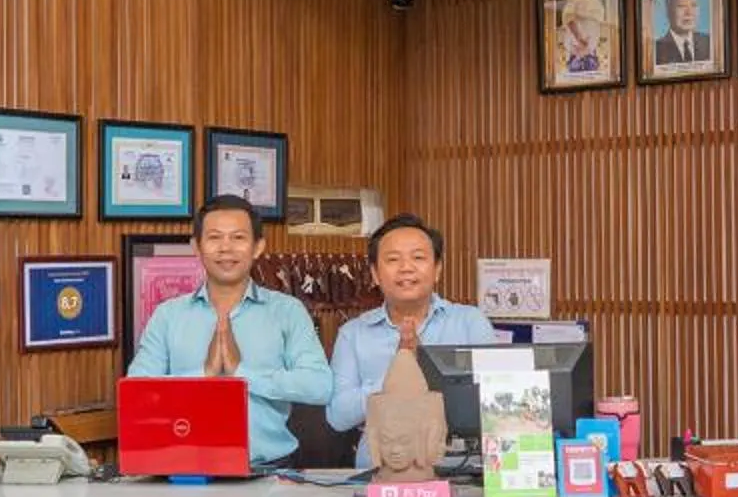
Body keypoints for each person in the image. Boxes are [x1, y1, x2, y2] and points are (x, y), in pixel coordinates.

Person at [126, 193, 333, 465]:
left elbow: (320, 386)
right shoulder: (168, 315)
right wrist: (205, 374)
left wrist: (242, 374)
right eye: (214, 238)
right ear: (197, 248)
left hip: (269, 471)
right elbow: (136, 396)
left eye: (238, 238)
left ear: (258, 247)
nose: (226, 248)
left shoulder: (287, 311)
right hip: (184, 468)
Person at [325, 214, 498, 468]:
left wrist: (426, 374)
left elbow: (499, 398)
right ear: (374, 273)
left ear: (437, 269)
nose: (406, 267)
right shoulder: (353, 334)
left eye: (418, 258)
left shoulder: (470, 323)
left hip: (461, 468)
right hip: (380, 470)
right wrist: (395, 377)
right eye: (393, 259)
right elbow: (338, 416)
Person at [652, 0, 714, 68]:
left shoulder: (709, 42)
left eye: (694, 5)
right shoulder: (655, 51)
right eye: (681, 6)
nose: (689, 13)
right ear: (668, 11)